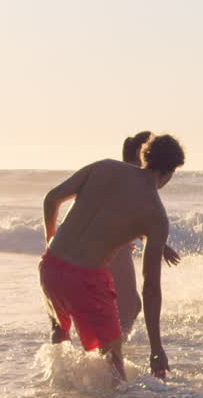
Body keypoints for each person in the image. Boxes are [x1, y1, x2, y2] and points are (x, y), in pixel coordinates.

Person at [39, 134, 186, 382]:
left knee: (60, 335)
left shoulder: (104, 167)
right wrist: (156, 349)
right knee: (113, 370)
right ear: (170, 172)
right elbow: (150, 287)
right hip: (85, 281)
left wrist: (51, 244)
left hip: (50, 266)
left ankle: (57, 392)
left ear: (144, 157)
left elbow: (52, 199)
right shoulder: (155, 214)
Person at [110, 131, 181, 335]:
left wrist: (160, 245)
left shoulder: (120, 176)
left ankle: (110, 352)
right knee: (129, 307)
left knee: (132, 306)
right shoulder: (131, 179)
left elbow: (134, 219)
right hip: (115, 250)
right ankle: (112, 356)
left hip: (110, 249)